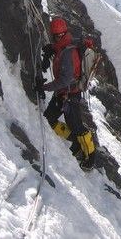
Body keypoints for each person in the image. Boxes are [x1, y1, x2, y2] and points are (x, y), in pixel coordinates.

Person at [35, 17, 97, 170]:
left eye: (55, 35)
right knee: (50, 116)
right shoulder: (65, 43)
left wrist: (45, 87)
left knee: (76, 126)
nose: (54, 37)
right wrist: (51, 49)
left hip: (70, 95)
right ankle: (76, 142)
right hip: (64, 94)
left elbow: (65, 80)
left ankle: (91, 157)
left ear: (59, 34)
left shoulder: (68, 52)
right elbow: (60, 48)